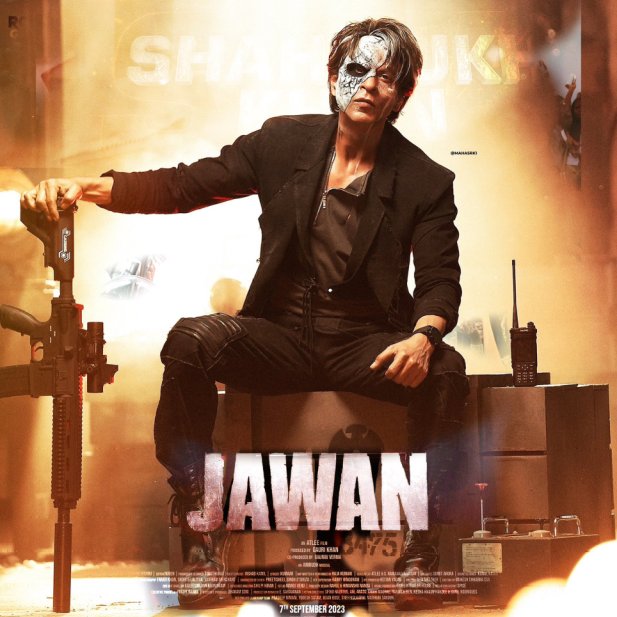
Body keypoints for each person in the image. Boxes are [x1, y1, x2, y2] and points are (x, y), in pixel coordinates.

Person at [21, 17, 468, 610]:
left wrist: (423, 336)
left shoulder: (425, 180)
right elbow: (185, 186)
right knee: (189, 341)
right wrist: (88, 186)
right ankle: (201, 528)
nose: (367, 84)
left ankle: (420, 551)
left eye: (385, 77)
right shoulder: (282, 142)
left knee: (446, 370)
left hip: (365, 338)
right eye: (356, 69)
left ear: (402, 95)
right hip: (282, 333)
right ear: (332, 77)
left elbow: (440, 279)